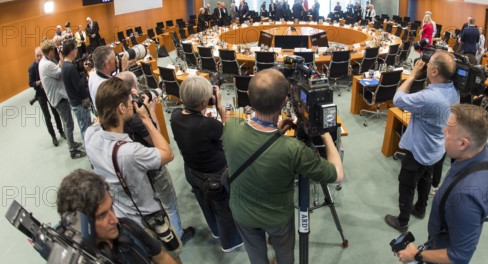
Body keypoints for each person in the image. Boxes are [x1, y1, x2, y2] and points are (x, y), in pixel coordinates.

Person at [222, 68, 343, 264]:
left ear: (248, 96)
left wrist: (276, 131)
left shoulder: (230, 128)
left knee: (256, 256)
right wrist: (326, 134)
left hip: (241, 211)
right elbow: (337, 174)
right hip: (277, 218)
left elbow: (255, 144)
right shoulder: (293, 150)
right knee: (285, 256)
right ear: (285, 102)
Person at [85, 77, 184, 259]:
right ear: (122, 108)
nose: (133, 104)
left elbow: (98, 121)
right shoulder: (131, 152)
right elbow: (167, 154)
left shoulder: (90, 137)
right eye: (130, 102)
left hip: (123, 217)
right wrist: (146, 118)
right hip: (148, 220)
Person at [397, 105, 488, 264]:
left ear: (463, 144)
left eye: (448, 131)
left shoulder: (465, 198)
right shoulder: (485, 150)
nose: (443, 131)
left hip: (442, 251)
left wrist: (416, 255)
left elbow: (458, 256)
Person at [385, 51, 460, 234]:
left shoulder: (429, 98)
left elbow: (398, 99)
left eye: (429, 65)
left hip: (419, 149)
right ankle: (420, 208)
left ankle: (402, 221)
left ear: (434, 72)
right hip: (436, 149)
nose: (425, 66)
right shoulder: (454, 90)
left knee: (407, 184)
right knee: (425, 179)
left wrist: (412, 75)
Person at [116, 72, 195, 245]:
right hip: (153, 166)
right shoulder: (137, 119)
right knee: (169, 203)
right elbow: (159, 141)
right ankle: (178, 235)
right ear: (133, 90)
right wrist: (150, 112)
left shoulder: (118, 112)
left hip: (135, 170)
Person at [171, 77, 243, 253]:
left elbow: (194, 126)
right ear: (205, 101)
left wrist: (202, 115)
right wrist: (219, 107)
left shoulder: (175, 116)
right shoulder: (209, 124)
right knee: (224, 210)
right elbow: (230, 133)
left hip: (192, 171)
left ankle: (216, 232)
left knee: (206, 205)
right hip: (216, 176)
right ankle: (231, 242)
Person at [56, 169, 177, 264]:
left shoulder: (127, 227)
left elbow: (162, 258)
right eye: (102, 215)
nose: (114, 220)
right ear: (81, 224)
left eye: (111, 208)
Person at [38, 39, 86, 159]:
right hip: (59, 98)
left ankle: (72, 143)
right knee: (69, 124)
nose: (54, 53)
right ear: (49, 51)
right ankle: (73, 151)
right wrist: (61, 58)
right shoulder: (47, 64)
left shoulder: (43, 62)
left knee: (66, 123)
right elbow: (61, 72)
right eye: (53, 51)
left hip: (56, 97)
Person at [28, 46, 64, 146]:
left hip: (50, 92)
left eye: (40, 55)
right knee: (47, 116)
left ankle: (61, 131)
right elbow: (30, 83)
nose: (39, 57)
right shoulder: (32, 68)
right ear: (35, 56)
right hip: (40, 95)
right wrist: (38, 83)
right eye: (37, 56)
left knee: (55, 113)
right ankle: (53, 137)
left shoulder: (47, 64)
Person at [61, 38, 93, 142]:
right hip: (80, 103)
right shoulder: (70, 67)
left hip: (74, 102)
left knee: (83, 126)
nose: (77, 50)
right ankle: (90, 151)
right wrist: (86, 73)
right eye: (75, 48)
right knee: (86, 129)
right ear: (71, 51)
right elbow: (79, 86)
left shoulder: (65, 65)